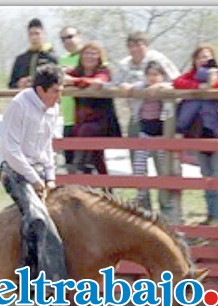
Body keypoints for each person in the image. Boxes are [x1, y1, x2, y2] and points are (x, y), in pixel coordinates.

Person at [0, 63, 67, 282]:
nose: (60, 95)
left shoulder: (53, 109)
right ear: (41, 90)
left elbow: (47, 145)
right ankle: (33, 276)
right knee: (37, 217)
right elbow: (11, 150)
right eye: (56, 90)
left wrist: (50, 177)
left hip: (38, 173)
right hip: (16, 172)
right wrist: (36, 180)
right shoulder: (19, 105)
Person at [173, 45, 218, 226]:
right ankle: (211, 214)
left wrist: (212, 80)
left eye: (207, 57)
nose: (203, 60)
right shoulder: (191, 75)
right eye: (200, 57)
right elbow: (177, 83)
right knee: (206, 173)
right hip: (198, 131)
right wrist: (199, 85)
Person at [64, 42, 121, 175]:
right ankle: (104, 188)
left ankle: (80, 167)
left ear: (99, 57)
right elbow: (61, 78)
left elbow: (98, 82)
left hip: (102, 122)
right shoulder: (76, 71)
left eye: (93, 53)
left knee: (86, 134)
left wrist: (75, 81)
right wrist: (76, 80)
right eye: (86, 53)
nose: (89, 56)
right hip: (82, 121)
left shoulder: (104, 71)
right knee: (96, 156)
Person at [130, 61, 175, 212]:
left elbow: (173, 86)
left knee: (164, 167)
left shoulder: (166, 89)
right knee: (139, 165)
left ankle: (166, 201)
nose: (152, 78)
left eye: (155, 75)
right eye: (149, 75)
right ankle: (142, 195)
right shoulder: (141, 89)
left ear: (162, 76)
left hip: (162, 133)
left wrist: (159, 87)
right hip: (145, 132)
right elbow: (131, 88)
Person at [58, 26, 83, 173]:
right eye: (63, 39)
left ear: (79, 36)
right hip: (68, 120)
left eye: (70, 36)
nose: (67, 41)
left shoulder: (88, 55)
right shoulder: (62, 60)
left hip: (86, 120)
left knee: (88, 167)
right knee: (70, 167)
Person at [8, 18, 58, 89]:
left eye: (37, 34)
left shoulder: (52, 58)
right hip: (25, 98)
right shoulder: (20, 59)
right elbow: (11, 85)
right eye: (31, 34)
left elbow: (58, 82)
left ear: (44, 34)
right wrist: (19, 84)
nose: (34, 37)